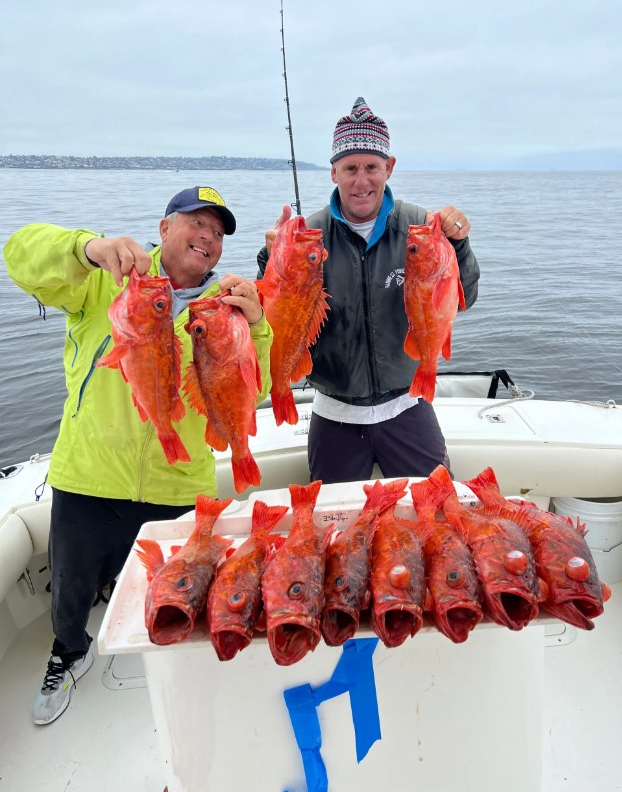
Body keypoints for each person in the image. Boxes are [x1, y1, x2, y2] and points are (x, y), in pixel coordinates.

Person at [4, 185, 272, 726]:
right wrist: (85, 248)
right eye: (196, 223)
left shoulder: (226, 306)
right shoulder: (104, 282)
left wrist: (260, 325)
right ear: (163, 226)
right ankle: (70, 652)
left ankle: (178, 665)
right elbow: (20, 254)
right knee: (72, 589)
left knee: (181, 589)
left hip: (179, 480)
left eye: (218, 234)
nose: (208, 238)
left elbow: (255, 386)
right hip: (89, 474)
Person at [257, 97, 480, 485]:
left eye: (372, 167)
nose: (362, 181)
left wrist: (458, 243)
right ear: (333, 173)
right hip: (334, 415)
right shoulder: (307, 235)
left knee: (440, 510)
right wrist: (270, 259)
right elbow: (273, 320)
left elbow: (466, 297)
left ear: (389, 168)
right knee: (334, 527)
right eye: (350, 168)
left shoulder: (420, 227)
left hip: (409, 404)